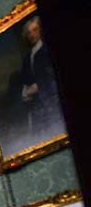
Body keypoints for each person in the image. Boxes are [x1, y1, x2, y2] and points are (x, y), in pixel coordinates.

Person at [19, 14, 61, 144]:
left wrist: (38, 87)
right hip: (36, 109)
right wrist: (26, 92)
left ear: (40, 30)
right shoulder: (27, 59)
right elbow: (25, 82)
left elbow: (52, 77)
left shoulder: (46, 50)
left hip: (51, 103)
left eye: (35, 30)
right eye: (29, 32)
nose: (32, 34)